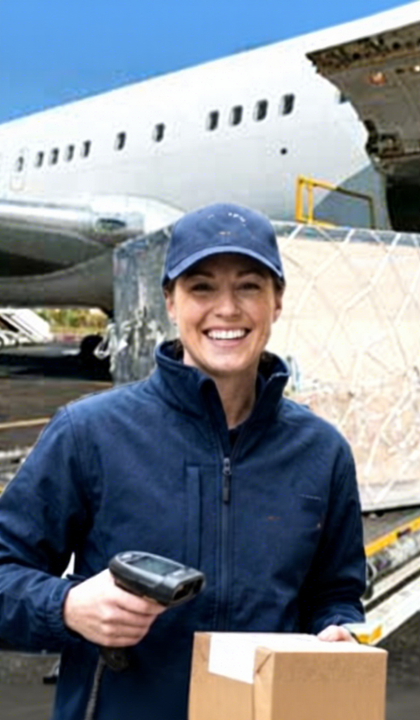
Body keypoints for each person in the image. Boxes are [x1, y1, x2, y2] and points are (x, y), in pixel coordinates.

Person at [0, 203, 366, 720]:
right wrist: (67, 606)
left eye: (248, 286)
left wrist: (338, 629)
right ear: (171, 302)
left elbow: (336, 593)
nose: (227, 309)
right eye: (201, 288)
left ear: (277, 302)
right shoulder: (89, 433)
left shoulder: (322, 453)